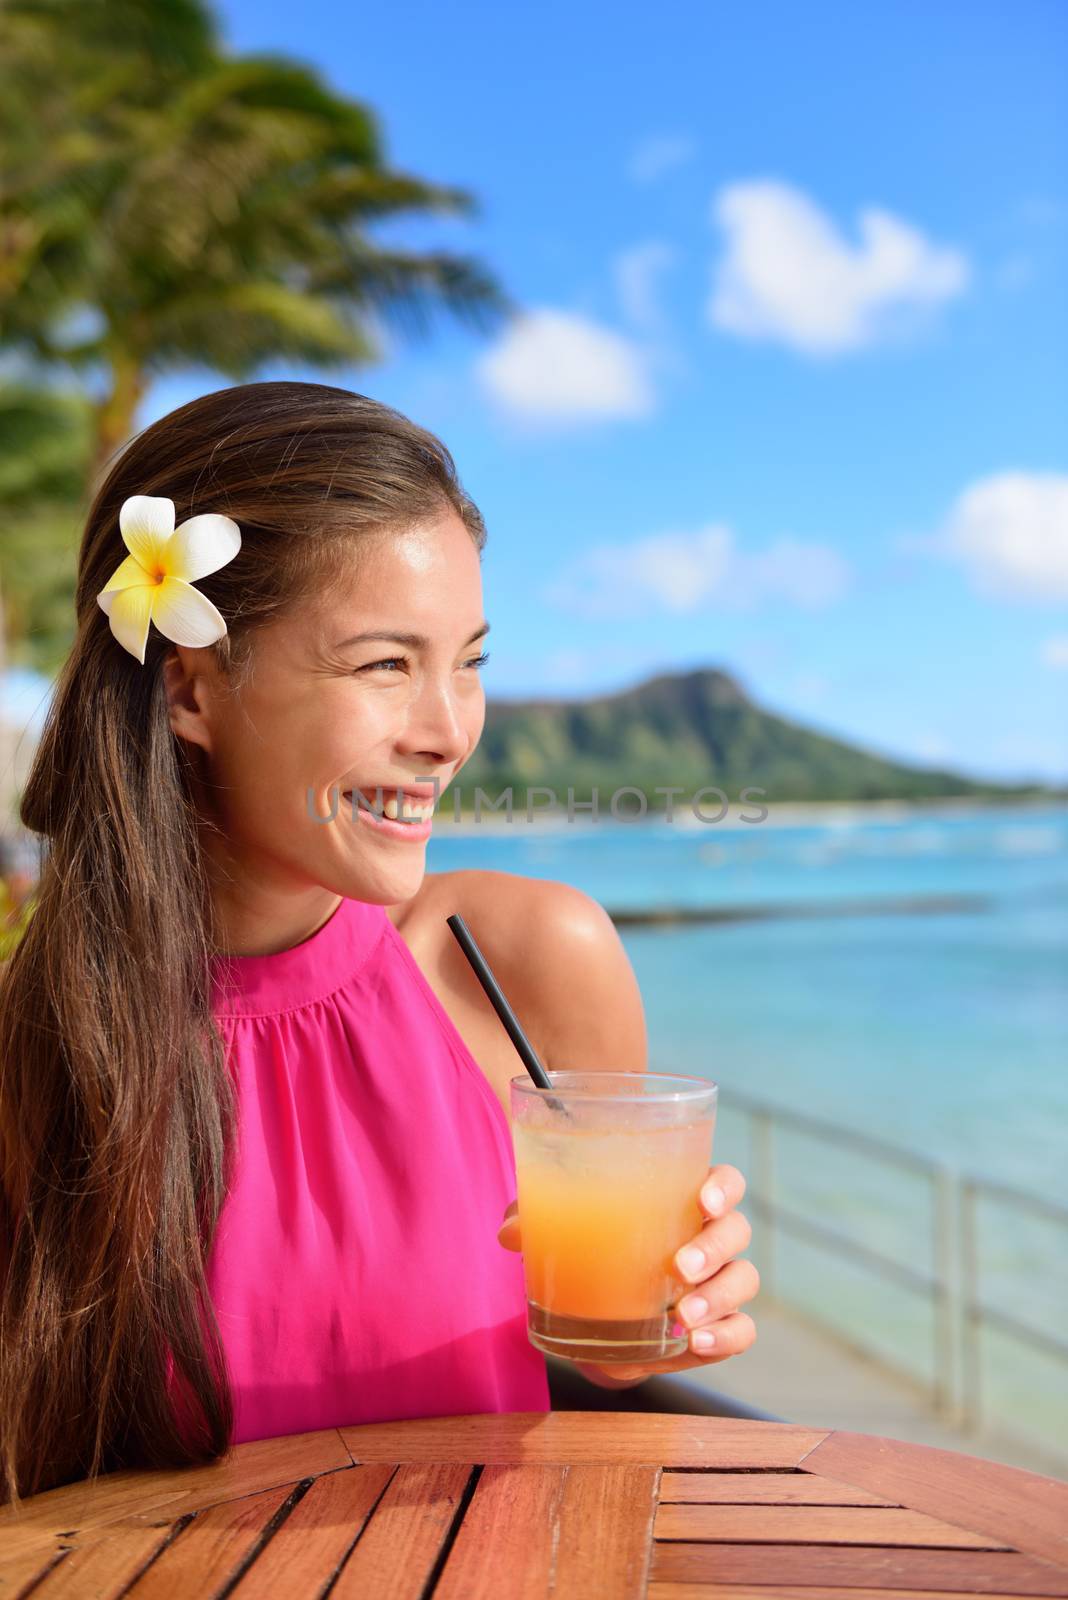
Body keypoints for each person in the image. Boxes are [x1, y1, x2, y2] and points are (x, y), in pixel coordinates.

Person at [0, 382, 758, 1503]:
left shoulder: (530, 961)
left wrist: (650, 1327)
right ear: (192, 690)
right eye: (385, 664)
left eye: (472, 660)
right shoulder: (39, 1048)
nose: (448, 732)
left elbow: (599, 1354)